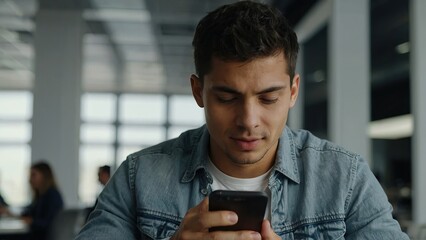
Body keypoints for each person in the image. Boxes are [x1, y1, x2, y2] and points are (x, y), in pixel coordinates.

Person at [76, 1, 409, 239]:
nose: (249, 120)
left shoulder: (345, 179)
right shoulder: (139, 178)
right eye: (227, 97)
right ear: (198, 91)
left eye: (268, 98)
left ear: (293, 92)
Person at [21, 161, 64, 240]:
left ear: (44, 176)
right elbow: (29, 211)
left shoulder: (52, 196)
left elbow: (49, 223)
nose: (30, 179)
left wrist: (31, 221)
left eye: (33, 175)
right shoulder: (41, 196)